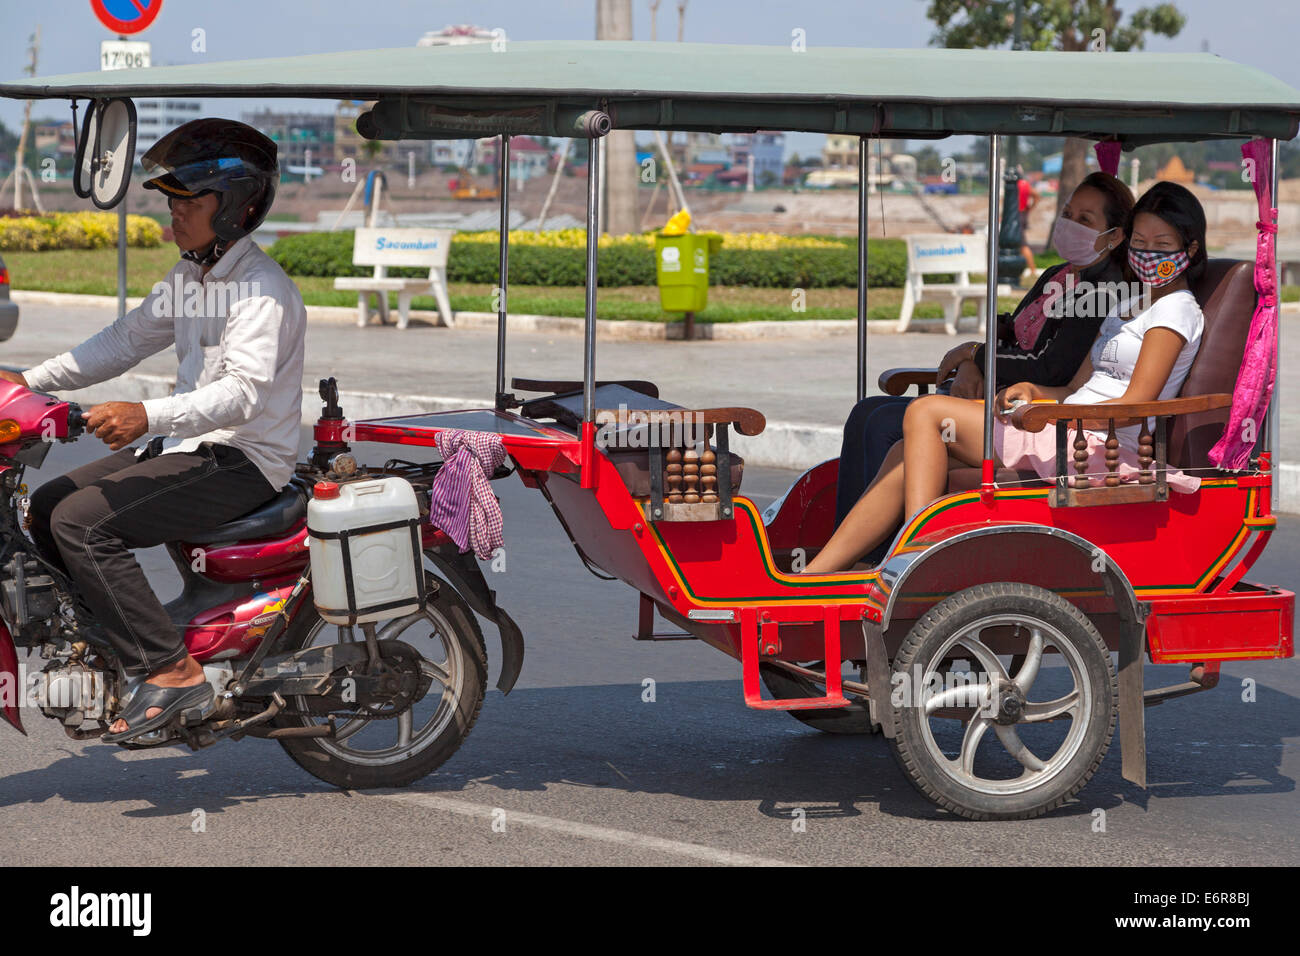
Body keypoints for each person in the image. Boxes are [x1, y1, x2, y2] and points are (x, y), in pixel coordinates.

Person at [0, 119, 306, 742]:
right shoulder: (191, 277)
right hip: (190, 446)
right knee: (50, 504)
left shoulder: (261, 290)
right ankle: (104, 643)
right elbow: (122, 342)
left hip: (243, 459)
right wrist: (24, 383)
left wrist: (147, 415)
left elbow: (242, 396)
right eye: (172, 200)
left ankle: (172, 670)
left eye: (190, 199)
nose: (175, 212)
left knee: (82, 523)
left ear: (236, 205)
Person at [807, 181, 1206, 573]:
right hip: (1070, 426)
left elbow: (1136, 404)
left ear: (1189, 249)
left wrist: (1056, 416)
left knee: (925, 412)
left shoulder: (1175, 309)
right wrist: (1033, 390)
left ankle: (920, 563)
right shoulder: (1130, 304)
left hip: (1100, 445)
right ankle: (820, 574)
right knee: (902, 453)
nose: (1147, 254)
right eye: (1140, 242)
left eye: (1162, 245)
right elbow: (1073, 388)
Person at [1018, 170, 1039, 281]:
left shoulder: (1017, 185)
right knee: (1019, 245)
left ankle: (1032, 270)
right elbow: (1036, 195)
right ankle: (1029, 269)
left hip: (1017, 215)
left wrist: (1030, 208)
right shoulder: (1025, 185)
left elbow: (1036, 195)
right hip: (1022, 214)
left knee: (1023, 245)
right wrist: (1030, 208)